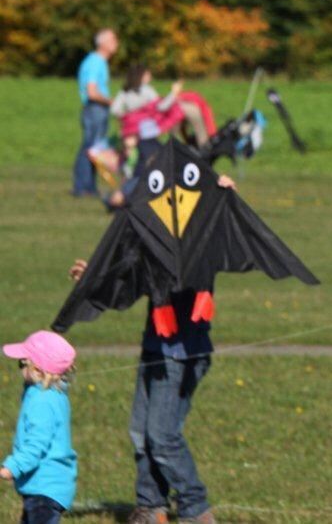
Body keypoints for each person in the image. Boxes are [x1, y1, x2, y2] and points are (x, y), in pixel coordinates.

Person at [70, 174, 236, 524]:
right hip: (155, 349)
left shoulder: (196, 248)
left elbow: (220, 232)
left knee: (162, 436)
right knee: (140, 432)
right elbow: (131, 280)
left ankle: (196, 509)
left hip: (182, 355)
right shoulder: (156, 248)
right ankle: (151, 505)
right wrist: (94, 277)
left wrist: (223, 197)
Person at [1, 331, 78, 523]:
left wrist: (12, 467)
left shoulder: (42, 401)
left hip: (45, 488)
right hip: (45, 486)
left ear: (37, 370)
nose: (20, 369)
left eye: (22, 363)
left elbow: (36, 444)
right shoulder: (52, 394)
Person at [72, 28, 118, 197]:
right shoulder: (95, 62)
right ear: (102, 43)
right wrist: (111, 101)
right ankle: (82, 187)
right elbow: (92, 92)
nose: (116, 43)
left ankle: (89, 186)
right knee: (90, 148)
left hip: (97, 109)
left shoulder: (99, 62)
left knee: (95, 148)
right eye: (113, 39)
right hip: (95, 108)